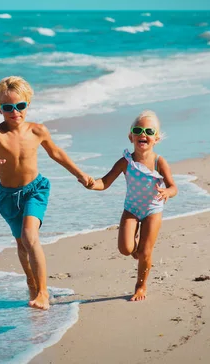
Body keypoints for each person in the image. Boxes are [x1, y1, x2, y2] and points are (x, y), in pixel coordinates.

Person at [0, 76, 93, 310]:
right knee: (21, 243)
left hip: (36, 190)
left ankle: (44, 293)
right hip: (8, 197)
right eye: (8, 108)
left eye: (20, 106)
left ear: (27, 104)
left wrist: (80, 174)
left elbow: (56, 153)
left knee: (29, 236)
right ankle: (32, 282)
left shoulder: (38, 130)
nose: (15, 112)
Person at [87, 110, 177, 301]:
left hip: (153, 209)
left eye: (149, 132)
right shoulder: (125, 162)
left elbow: (173, 186)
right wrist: (92, 184)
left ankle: (141, 286)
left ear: (157, 138)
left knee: (145, 252)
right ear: (131, 136)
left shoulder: (159, 162)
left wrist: (167, 192)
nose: (143, 134)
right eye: (138, 130)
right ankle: (136, 244)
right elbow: (105, 182)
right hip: (131, 209)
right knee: (126, 249)